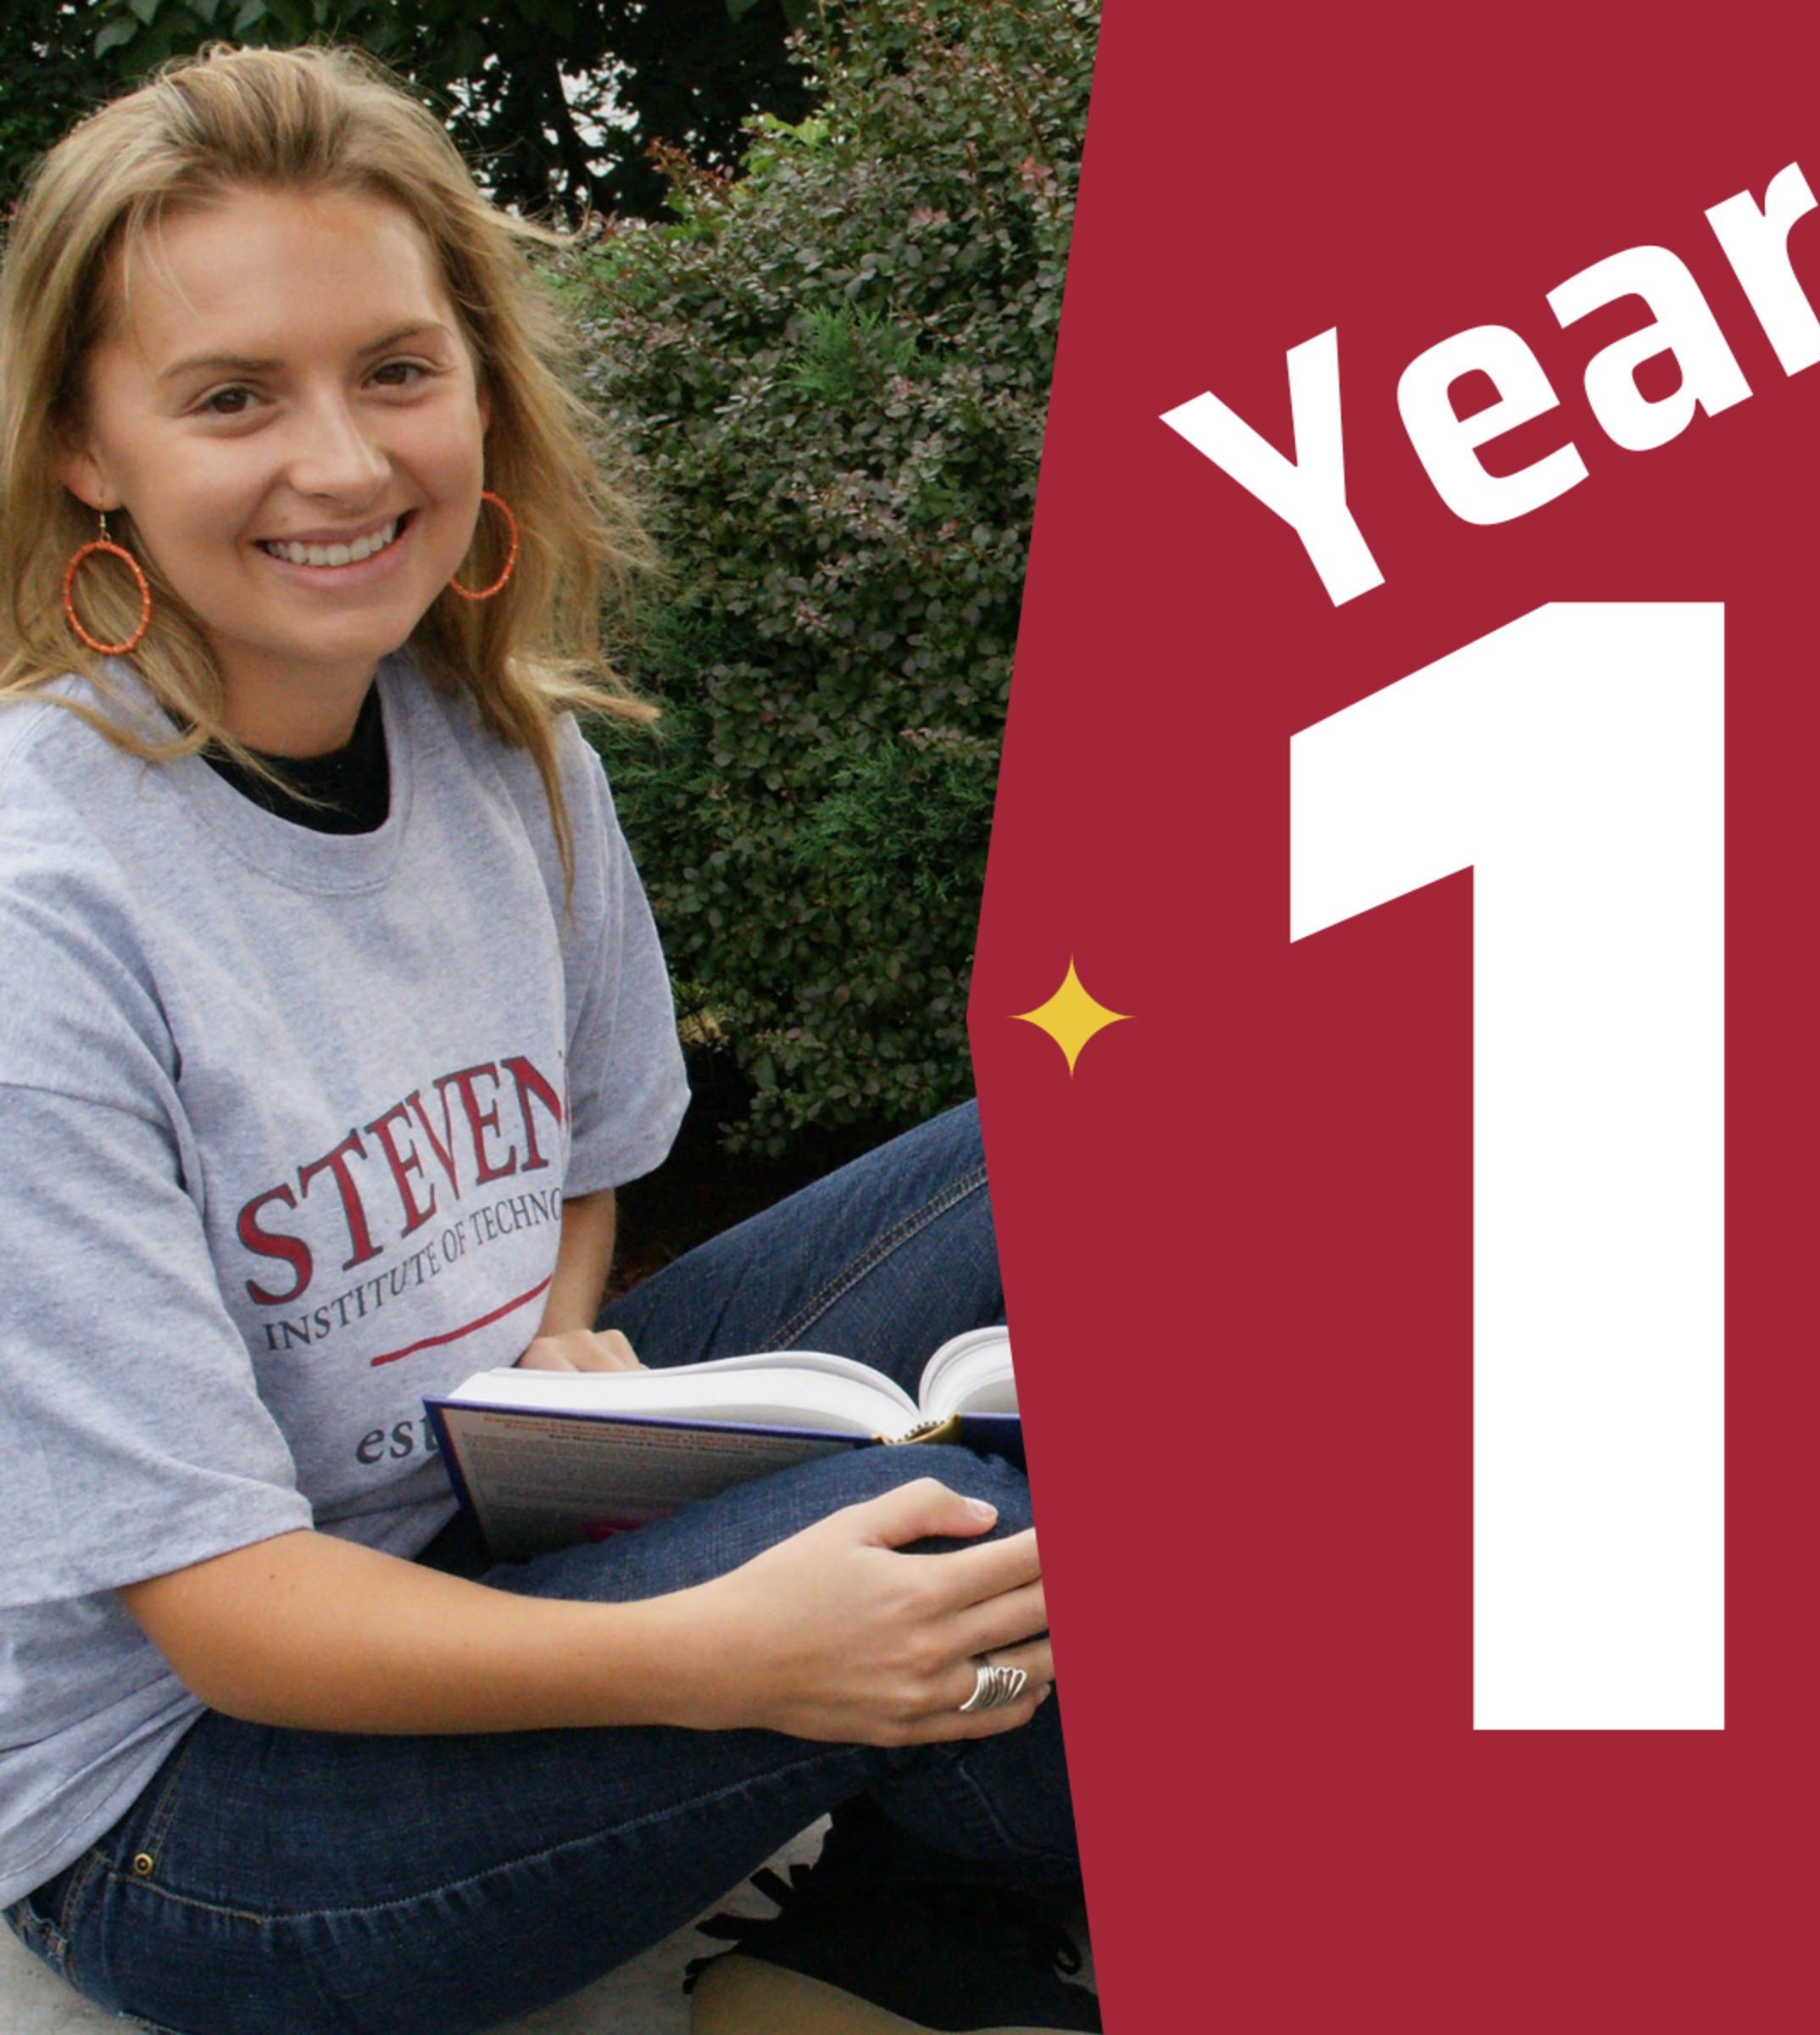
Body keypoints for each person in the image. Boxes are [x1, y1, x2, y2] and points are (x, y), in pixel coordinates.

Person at [0, 45, 1098, 2035]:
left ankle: (908, 1932)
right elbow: (227, 1612)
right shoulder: (40, 910)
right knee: (982, 1537)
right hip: (186, 1808)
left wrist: (555, 1348)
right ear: (87, 443)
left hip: (480, 1509)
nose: (345, 465)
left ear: (483, 387)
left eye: (395, 371)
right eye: (233, 396)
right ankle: (933, 1936)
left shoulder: (507, 750)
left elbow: (577, 1166)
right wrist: (727, 1650)